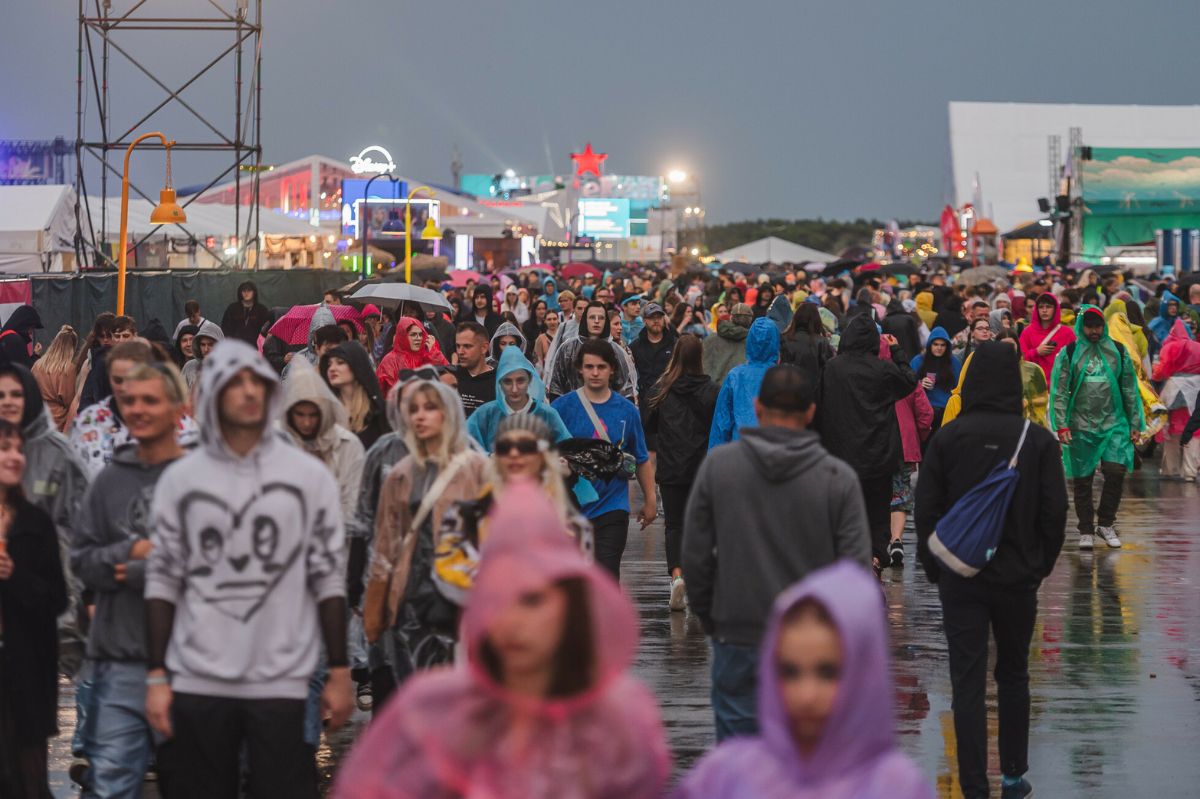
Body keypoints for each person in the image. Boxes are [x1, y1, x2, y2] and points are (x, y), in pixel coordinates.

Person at [337, 481, 669, 799]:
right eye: (496, 599)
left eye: (532, 600)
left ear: (570, 606)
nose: (513, 620)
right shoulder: (432, 712)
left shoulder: (619, 723)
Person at [143, 340, 352, 799]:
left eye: (255, 382)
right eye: (234, 383)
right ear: (213, 392)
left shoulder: (307, 476)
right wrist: (157, 675)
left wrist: (339, 670)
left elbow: (328, 578)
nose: (247, 392)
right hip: (197, 679)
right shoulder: (181, 478)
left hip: (280, 680)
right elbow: (163, 581)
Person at [684, 365, 871, 740]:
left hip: (738, 632)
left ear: (757, 407)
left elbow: (695, 554)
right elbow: (856, 574)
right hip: (810, 647)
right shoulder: (837, 479)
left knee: (740, 758)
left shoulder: (720, 468)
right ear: (810, 413)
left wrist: (712, 615)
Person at [916, 342, 1068, 799]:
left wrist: (934, 567)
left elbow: (927, 511)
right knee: (1014, 674)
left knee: (967, 679)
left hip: (960, 577)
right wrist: (1039, 565)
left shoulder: (948, 438)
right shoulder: (1037, 440)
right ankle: (1013, 774)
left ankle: (974, 782)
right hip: (1017, 578)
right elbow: (1054, 512)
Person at [673, 562, 933, 799]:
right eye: (789, 672)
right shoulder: (725, 776)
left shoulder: (896, 787)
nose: (807, 695)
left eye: (828, 672)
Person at [69, 360, 188, 798]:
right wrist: (126, 553)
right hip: (119, 657)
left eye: (149, 400)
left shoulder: (198, 480)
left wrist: (139, 570)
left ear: (176, 407)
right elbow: (82, 560)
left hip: (189, 660)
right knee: (111, 783)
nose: (137, 409)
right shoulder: (109, 480)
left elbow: (213, 568)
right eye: (129, 400)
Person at [362, 379, 488, 683]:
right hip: (411, 600)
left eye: (430, 408)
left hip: (462, 597)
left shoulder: (475, 469)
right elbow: (385, 547)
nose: (419, 416)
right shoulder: (400, 475)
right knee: (417, 695)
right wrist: (375, 606)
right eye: (413, 409)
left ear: (449, 414)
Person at [436, 413, 592, 607]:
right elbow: (446, 570)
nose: (514, 453)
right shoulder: (468, 514)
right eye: (505, 447)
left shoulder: (568, 519)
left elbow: (577, 582)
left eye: (526, 447)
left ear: (542, 455)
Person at [816, 315, 919, 573]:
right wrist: (897, 351)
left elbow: (819, 405)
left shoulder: (833, 368)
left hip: (840, 454)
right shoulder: (882, 369)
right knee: (876, 513)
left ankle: (845, 557)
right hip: (877, 454)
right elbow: (909, 381)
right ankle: (874, 556)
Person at [0, 419, 68, 799]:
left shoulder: (35, 523)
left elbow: (56, 598)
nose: (13, 457)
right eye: (3, 448)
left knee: (28, 782)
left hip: (26, 672)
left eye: (17, 450)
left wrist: (16, 576)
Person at [551, 338, 655, 579]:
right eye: (589, 367)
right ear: (580, 369)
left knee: (606, 579)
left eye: (601, 367)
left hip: (612, 508)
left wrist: (650, 500)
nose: (595, 373)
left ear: (612, 369)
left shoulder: (627, 411)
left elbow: (641, 458)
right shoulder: (562, 408)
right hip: (571, 510)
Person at [1049, 306, 1143, 550]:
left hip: (1115, 424)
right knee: (1082, 479)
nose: (1094, 330)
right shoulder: (1069, 353)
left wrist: (1135, 422)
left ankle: (1106, 522)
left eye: (1098, 325)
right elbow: (1059, 391)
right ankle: (1086, 529)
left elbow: (1130, 388)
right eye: (1090, 326)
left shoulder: (1118, 351)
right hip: (1080, 425)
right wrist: (1061, 424)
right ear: (1082, 326)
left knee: (1115, 471)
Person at [645, 334, 717, 611]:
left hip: (672, 467)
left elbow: (648, 424)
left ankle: (676, 575)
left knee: (674, 525)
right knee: (698, 526)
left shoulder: (662, 388)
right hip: (701, 468)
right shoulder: (711, 389)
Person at [71, 341, 199, 478]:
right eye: (117, 380)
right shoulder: (88, 421)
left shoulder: (182, 426)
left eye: (132, 378)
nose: (124, 387)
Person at [281, 359, 366, 518]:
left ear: (323, 412)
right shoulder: (277, 446)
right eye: (300, 414)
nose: (306, 422)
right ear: (289, 413)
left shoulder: (347, 444)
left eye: (313, 415)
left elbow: (353, 501)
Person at [882, 338, 933, 567]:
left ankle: (880, 541)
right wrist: (919, 436)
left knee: (878, 492)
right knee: (900, 494)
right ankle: (897, 539)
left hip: (877, 444)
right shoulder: (909, 380)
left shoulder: (871, 376)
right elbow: (926, 415)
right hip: (904, 444)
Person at [467, 345, 569, 452]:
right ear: (499, 383)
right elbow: (466, 444)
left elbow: (567, 449)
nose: (514, 389)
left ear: (529, 380)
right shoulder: (486, 414)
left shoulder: (547, 414)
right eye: (507, 381)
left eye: (520, 381)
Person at [709, 317, 780, 446]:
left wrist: (715, 461)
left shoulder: (735, 376)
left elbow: (721, 423)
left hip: (741, 452)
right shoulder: (784, 377)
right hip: (774, 453)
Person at [545, 301, 637, 401]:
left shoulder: (616, 351)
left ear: (606, 321)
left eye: (601, 318)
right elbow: (556, 386)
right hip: (573, 410)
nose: (596, 321)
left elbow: (626, 390)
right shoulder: (568, 349)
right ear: (585, 320)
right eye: (592, 317)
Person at [1153, 318, 1200, 480]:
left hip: (1173, 390)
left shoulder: (1170, 347)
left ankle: (1170, 469)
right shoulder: (1198, 347)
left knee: (1170, 431)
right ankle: (1190, 472)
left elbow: (1160, 373)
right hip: (1196, 390)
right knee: (1195, 432)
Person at [321, 341, 389, 450]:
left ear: (356, 365)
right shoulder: (326, 412)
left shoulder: (380, 413)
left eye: (340, 362)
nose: (332, 368)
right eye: (329, 364)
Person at [630, 302, 677, 451]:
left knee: (670, 446)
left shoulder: (674, 344)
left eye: (659, 317)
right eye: (652, 317)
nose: (656, 320)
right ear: (644, 321)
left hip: (670, 401)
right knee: (649, 448)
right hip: (646, 403)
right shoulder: (635, 346)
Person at [376, 315, 449, 399]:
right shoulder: (390, 360)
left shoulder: (427, 355)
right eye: (413, 335)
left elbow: (448, 376)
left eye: (420, 334)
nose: (418, 338)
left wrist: (435, 353)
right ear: (403, 336)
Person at [911, 326, 960, 430]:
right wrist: (920, 384)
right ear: (929, 345)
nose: (939, 348)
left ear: (947, 347)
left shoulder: (954, 362)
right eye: (935, 344)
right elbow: (908, 383)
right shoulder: (918, 361)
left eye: (943, 345)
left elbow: (959, 387)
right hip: (924, 409)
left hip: (946, 410)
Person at [30, 324, 78, 432]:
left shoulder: (38, 364)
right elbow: (70, 401)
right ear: (72, 347)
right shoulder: (68, 369)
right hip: (58, 423)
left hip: (37, 419)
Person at [1019, 292, 1075, 383]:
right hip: (1036, 387)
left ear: (1055, 309)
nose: (1044, 310)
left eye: (1048, 307)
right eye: (1041, 307)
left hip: (1060, 386)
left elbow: (1075, 359)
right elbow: (1021, 359)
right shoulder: (1027, 333)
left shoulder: (1067, 333)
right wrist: (1036, 352)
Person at [779, 303, 834, 388]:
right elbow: (829, 368)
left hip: (787, 388)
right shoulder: (821, 342)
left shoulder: (784, 338)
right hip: (812, 391)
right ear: (816, 319)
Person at [451, 321, 496, 417]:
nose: (460, 352)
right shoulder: (451, 376)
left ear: (484, 348)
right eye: (458, 346)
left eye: (467, 346)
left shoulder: (498, 381)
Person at [702, 302, 753, 385]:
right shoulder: (753, 341)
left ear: (731, 317)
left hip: (714, 390)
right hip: (740, 390)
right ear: (750, 319)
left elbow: (705, 367)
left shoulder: (710, 339)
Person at [219, 279, 271, 345]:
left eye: (249, 291)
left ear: (254, 292)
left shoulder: (261, 310)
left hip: (255, 347)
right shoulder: (232, 308)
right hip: (235, 346)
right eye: (244, 291)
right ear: (240, 293)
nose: (246, 293)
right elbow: (225, 328)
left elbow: (265, 329)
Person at [180, 319, 224, 390]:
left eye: (210, 344)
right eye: (203, 345)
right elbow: (179, 396)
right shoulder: (189, 367)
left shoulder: (229, 370)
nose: (206, 349)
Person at [533, 307, 559, 372]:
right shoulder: (540, 339)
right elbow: (538, 362)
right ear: (545, 321)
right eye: (549, 319)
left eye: (554, 319)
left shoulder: (563, 336)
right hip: (546, 373)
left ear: (558, 320)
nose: (552, 321)